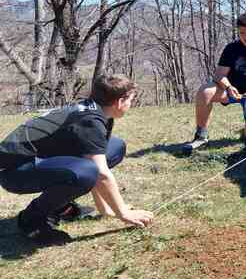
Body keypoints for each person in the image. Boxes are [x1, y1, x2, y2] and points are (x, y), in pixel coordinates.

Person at [0, 74, 153, 245]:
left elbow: (95, 161)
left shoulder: (99, 111)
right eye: (131, 100)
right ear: (119, 102)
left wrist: (106, 208)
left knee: (114, 148)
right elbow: (101, 174)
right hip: (14, 171)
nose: (131, 104)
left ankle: (60, 206)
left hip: (37, 159)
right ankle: (31, 220)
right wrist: (123, 213)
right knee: (86, 172)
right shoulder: (90, 121)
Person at [184, 12, 246, 153]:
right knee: (205, 92)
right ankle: (201, 136)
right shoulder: (232, 48)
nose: (245, 37)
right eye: (241, 33)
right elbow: (219, 75)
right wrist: (229, 87)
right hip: (232, 92)